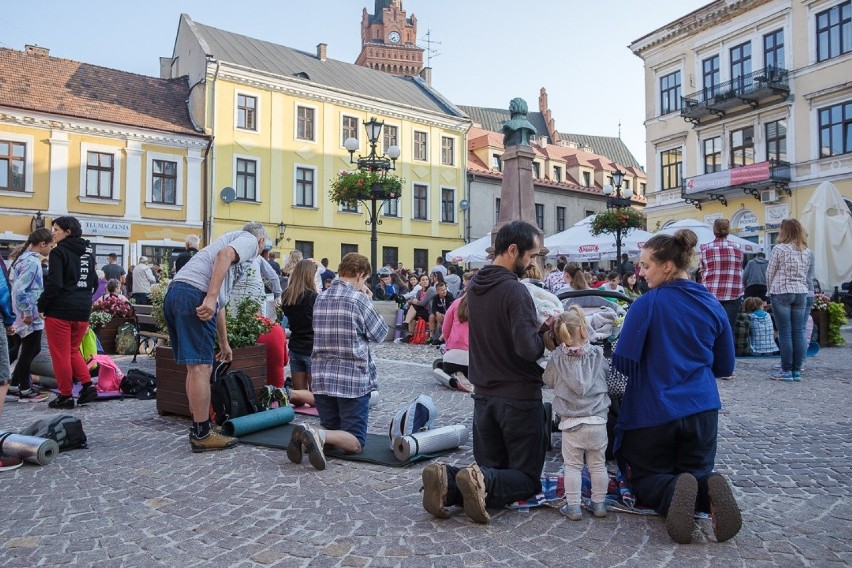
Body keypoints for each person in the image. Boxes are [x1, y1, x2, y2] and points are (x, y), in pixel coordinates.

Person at [613, 229, 740, 545]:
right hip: (702, 410)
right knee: (696, 472)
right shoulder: (712, 303)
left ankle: (673, 492)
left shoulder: (648, 304)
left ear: (667, 266)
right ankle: (707, 489)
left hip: (653, 411)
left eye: (646, 265)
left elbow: (622, 363)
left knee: (645, 478)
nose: (641, 273)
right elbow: (725, 366)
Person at [421, 220, 549, 524]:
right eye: (530, 256)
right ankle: (469, 481)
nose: (531, 264)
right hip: (518, 395)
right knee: (526, 479)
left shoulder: (475, 286)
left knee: (488, 468)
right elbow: (528, 349)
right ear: (513, 250)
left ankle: (449, 481)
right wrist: (546, 332)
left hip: (484, 396)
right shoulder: (515, 292)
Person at [164, 222, 266, 452]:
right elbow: (224, 256)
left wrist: (224, 342)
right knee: (201, 368)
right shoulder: (248, 241)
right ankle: (202, 434)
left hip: (177, 292)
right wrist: (209, 298)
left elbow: (220, 304)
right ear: (260, 242)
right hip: (194, 294)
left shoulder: (225, 247)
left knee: (194, 368)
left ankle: (200, 427)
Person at [287, 253, 388, 470]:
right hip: (351, 380)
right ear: (360, 275)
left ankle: (316, 436)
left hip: (322, 378)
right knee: (356, 441)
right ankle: (316, 433)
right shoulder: (359, 300)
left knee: (333, 435)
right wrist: (368, 300)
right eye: (366, 279)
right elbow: (380, 334)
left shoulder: (320, 297)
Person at [542, 305, 611, 521]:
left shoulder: (556, 359)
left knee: (572, 466)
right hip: (597, 421)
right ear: (583, 330)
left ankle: (573, 506)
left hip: (572, 423)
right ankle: (599, 503)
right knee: (598, 464)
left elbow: (548, 380)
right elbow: (607, 376)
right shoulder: (598, 354)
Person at [38, 216, 99, 409]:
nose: (52, 233)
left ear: (68, 232)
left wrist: (42, 305)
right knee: (72, 351)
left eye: (56, 229)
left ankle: (65, 396)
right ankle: (88, 385)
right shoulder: (88, 253)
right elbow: (95, 283)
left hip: (60, 311)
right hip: (82, 311)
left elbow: (54, 283)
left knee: (60, 355)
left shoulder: (59, 252)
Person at [6, 228, 52, 399]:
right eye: (51, 245)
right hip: (28, 313)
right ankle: (25, 388)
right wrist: (27, 311)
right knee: (29, 350)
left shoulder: (22, 259)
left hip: (22, 311)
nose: (51, 249)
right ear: (42, 244)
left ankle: (14, 384)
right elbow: (19, 289)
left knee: (25, 348)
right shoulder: (32, 262)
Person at [765, 219, 812, 382]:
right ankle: (796, 370)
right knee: (798, 331)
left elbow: (770, 272)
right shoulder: (805, 250)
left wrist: (769, 290)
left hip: (781, 291)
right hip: (801, 292)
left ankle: (786, 370)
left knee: (785, 331)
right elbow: (806, 273)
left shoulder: (779, 248)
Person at [700, 218, 744, 335]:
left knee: (710, 328)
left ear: (714, 230)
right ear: (728, 230)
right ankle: (728, 353)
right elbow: (739, 267)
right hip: (733, 292)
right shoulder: (737, 247)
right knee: (729, 329)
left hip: (710, 292)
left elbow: (702, 269)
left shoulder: (705, 249)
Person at [281, 259, 318, 392]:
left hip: (295, 345)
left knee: (299, 393)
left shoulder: (287, 295)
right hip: (311, 346)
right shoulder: (313, 297)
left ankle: (285, 394)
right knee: (316, 394)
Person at [433, 292, 471, 392]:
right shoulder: (484, 305)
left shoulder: (456, 303)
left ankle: (453, 380)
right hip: (473, 361)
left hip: (453, 355)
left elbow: (445, 328)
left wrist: (449, 344)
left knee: (438, 368)